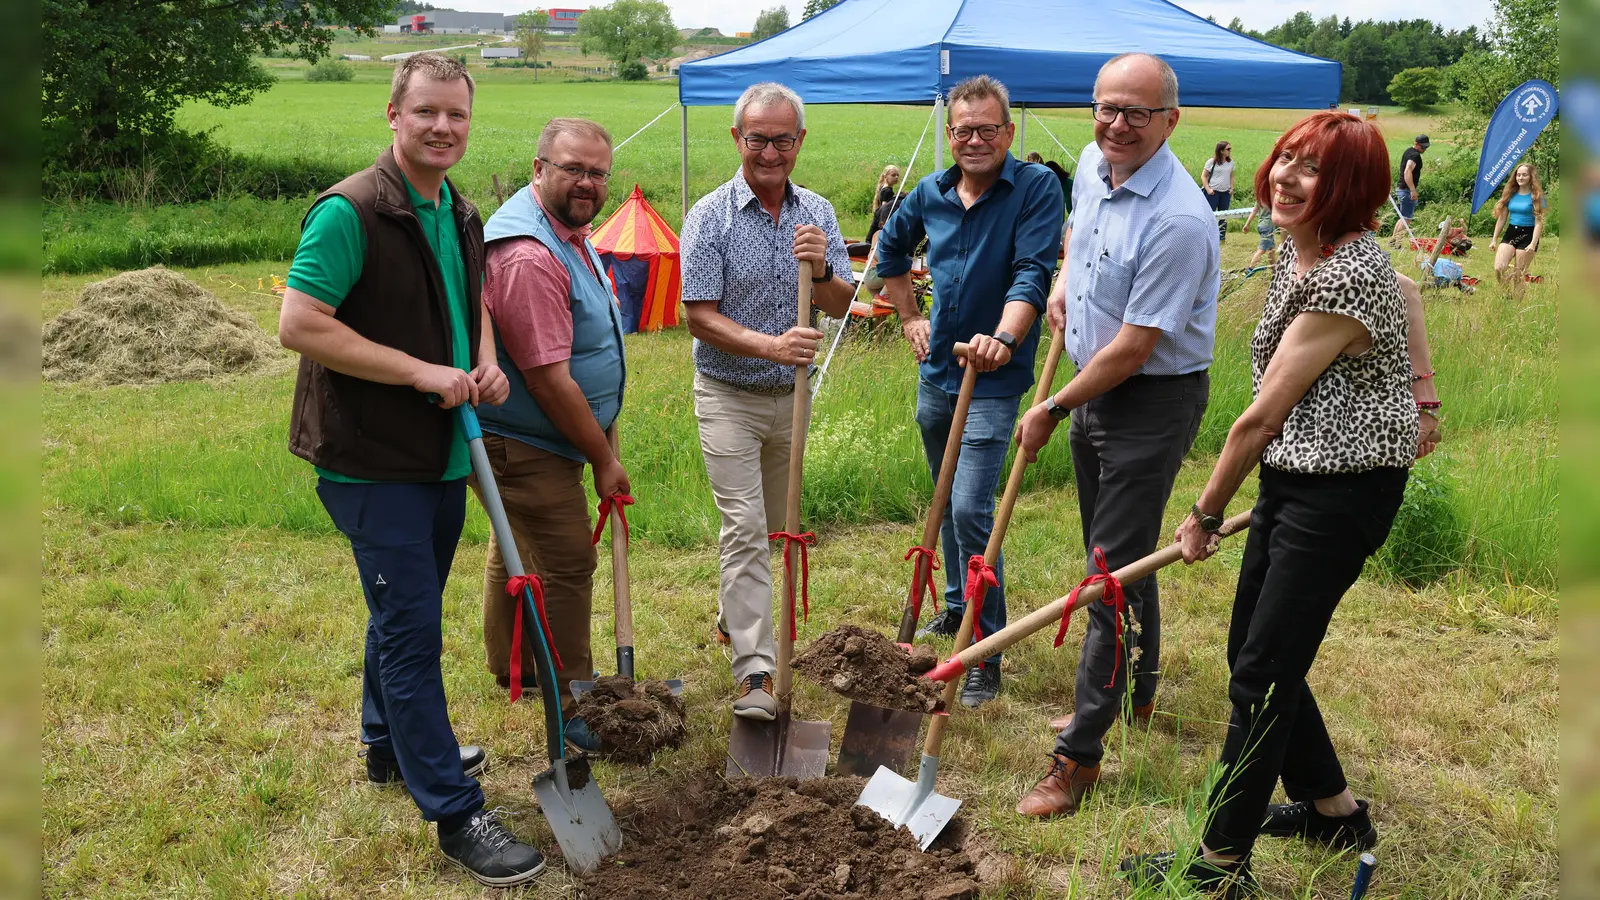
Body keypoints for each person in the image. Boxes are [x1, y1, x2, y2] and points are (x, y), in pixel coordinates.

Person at [1120, 110, 1442, 896]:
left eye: (1316, 171)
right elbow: (1404, 285)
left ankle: (1219, 864)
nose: (1290, 179)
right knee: (1258, 658)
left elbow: (1259, 418)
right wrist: (1423, 395)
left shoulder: (1343, 274)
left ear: (1353, 190)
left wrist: (1199, 514)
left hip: (1342, 495)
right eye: (1287, 159)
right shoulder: (1317, 258)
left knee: (1261, 674)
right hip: (1297, 479)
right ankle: (1333, 812)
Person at [277, 53, 545, 886]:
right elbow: (299, 324)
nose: (442, 127)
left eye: (456, 116)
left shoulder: (459, 210)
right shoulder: (351, 211)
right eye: (426, 111)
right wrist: (420, 370)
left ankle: (385, 746)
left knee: (403, 605)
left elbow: (475, 307)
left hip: (440, 449)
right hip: (369, 457)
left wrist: (487, 363)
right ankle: (455, 811)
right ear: (393, 114)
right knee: (411, 629)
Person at [1011, 52, 1218, 817]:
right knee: (1124, 562)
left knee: (1106, 576)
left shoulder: (1180, 218)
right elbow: (1078, 236)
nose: (1117, 125)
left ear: (1170, 119)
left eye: (1136, 112)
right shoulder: (1097, 169)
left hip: (1147, 402)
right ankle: (1136, 696)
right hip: (1090, 388)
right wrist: (1065, 284)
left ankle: (1079, 758)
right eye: (1106, 108)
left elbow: (1134, 348)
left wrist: (1055, 406)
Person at [876, 74, 1065, 708]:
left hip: (993, 378)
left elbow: (1033, 271)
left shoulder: (1035, 187)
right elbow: (889, 252)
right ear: (949, 134)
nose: (976, 140)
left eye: (989, 129)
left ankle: (983, 647)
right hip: (938, 374)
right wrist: (908, 316)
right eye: (964, 130)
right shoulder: (928, 193)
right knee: (944, 499)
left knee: (969, 512)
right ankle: (956, 608)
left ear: (1009, 132)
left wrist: (1005, 339)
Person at [680, 82, 857, 720]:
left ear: (800, 141)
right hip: (728, 393)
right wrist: (767, 345)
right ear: (738, 139)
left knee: (778, 529)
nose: (771, 151)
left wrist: (826, 270)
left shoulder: (819, 214)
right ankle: (755, 672)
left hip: (794, 397)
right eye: (758, 137)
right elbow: (698, 315)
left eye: (784, 138)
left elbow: (842, 306)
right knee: (746, 528)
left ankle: (735, 616)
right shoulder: (710, 215)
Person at [472, 118, 625, 753]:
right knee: (566, 561)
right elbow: (548, 378)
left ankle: (519, 669)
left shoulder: (567, 231)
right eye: (572, 170)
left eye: (597, 172)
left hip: (544, 439)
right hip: (527, 439)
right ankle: (573, 700)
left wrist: (605, 436)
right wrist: (602, 459)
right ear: (540, 169)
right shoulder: (529, 253)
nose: (586, 183)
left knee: (516, 545)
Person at [1490, 161, 1547, 300]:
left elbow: (1539, 222)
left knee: (1518, 274)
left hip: (1528, 235)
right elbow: (1502, 219)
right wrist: (1494, 239)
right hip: (1511, 233)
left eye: (1524, 175)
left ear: (1530, 177)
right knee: (1499, 267)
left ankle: (1516, 306)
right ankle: (1505, 294)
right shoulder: (1510, 194)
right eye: (1518, 175)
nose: (1520, 178)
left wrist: (1533, 243)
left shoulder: (1537, 197)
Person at [1388, 134, 1429, 243]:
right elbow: (1407, 171)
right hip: (1406, 190)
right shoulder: (1415, 156)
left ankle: (1393, 241)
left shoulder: (1408, 152)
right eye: (1423, 147)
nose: (1424, 149)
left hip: (1401, 188)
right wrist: (1412, 190)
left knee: (1403, 218)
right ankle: (1397, 242)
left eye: (1426, 147)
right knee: (1407, 219)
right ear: (1416, 144)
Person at [1202, 140, 1234, 241]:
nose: (1230, 151)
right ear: (1221, 151)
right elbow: (1203, 176)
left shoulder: (1230, 162)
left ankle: (1221, 237)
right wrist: (1208, 189)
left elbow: (1232, 176)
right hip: (1213, 192)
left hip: (1225, 193)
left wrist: (1231, 188)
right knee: (1210, 215)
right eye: (1228, 149)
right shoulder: (1212, 162)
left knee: (1223, 215)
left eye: (1230, 149)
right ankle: (1207, 235)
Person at [1241, 202, 1276, 270]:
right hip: (1268, 226)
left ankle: (1275, 269)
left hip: (1261, 225)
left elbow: (1254, 211)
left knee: (1271, 248)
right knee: (1262, 249)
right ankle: (1250, 269)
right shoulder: (1272, 197)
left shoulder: (1260, 197)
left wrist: (1247, 224)